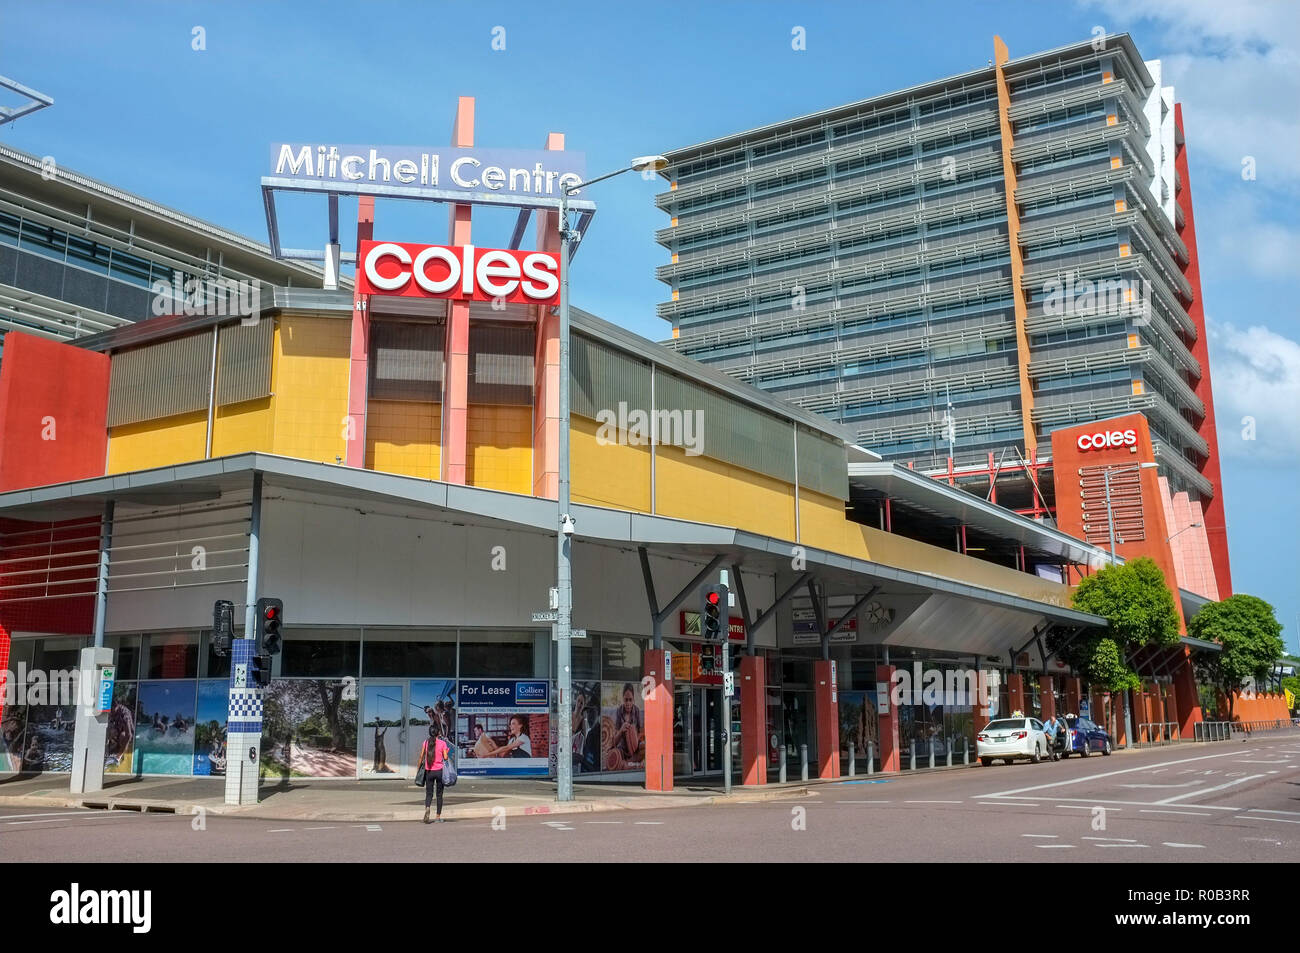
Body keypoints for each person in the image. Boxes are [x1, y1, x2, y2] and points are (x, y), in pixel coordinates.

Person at [420, 724, 450, 824]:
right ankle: (437, 817)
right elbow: (445, 758)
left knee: (429, 793)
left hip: (429, 772)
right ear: (438, 733)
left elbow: (421, 757)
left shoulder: (425, 742)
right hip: (439, 771)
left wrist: (418, 769)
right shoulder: (442, 743)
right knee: (439, 794)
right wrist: (446, 751)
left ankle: (427, 808)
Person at [611, 683, 643, 764]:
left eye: (630, 699)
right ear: (623, 699)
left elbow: (640, 732)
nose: (628, 703)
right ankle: (629, 761)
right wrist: (622, 730)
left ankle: (629, 761)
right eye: (626, 700)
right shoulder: (619, 711)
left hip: (635, 749)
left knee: (645, 746)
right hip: (622, 749)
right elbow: (614, 742)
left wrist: (633, 737)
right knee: (613, 755)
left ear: (633, 699)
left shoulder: (637, 711)